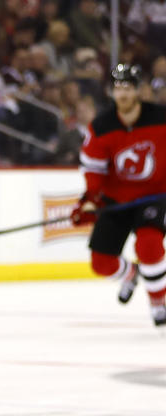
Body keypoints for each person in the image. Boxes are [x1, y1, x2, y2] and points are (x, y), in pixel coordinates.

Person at [71, 64, 166, 326]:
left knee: (149, 246)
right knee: (101, 263)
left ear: (137, 90)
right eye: (117, 88)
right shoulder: (102, 126)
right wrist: (90, 198)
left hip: (153, 196)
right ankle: (130, 274)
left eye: (127, 88)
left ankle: (158, 301)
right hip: (116, 200)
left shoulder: (161, 117)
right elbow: (94, 169)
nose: (122, 94)